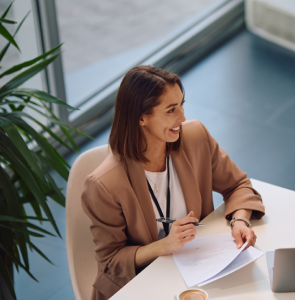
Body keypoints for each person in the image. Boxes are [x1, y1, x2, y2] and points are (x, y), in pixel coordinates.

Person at [81, 65, 265, 300]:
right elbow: (111, 261)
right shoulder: (103, 184)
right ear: (142, 118)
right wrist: (164, 245)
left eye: (181, 105)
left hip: (200, 273)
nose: (182, 117)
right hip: (143, 283)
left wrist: (240, 220)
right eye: (171, 110)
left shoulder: (196, 137)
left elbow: (237, 185)